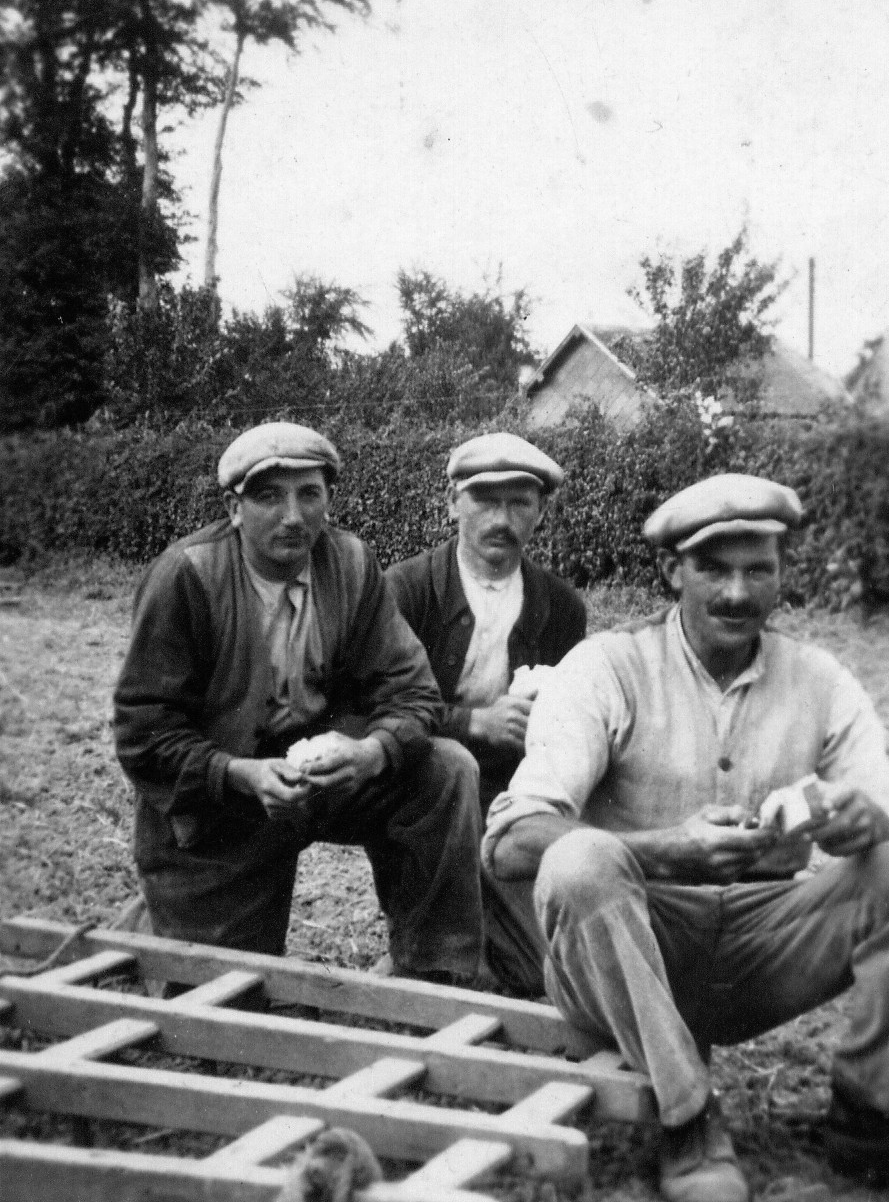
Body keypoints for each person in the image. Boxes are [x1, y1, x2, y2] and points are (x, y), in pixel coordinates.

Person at [482, 473, 889, 1202]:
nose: (736, 593)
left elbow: (879, 792)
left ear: (782, 572)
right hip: (632, 948)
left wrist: (866, 817)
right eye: (712, 568)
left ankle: (867, 1121)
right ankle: (687, 1119)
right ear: (671, 570)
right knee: (577, 860)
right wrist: (670, 849)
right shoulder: (607, 668)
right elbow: (512, 842)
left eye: (756, 569)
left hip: (766, 950)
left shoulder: (817, 677)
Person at [114, 422, 483, 984]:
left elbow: (412, 691)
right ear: (233, 507)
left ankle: (431, 970)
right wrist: (239, 773)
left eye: (309, 494)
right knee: (225, 1007)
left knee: (445, 769)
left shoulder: (352, 564)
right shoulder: (187, 577)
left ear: (329, 500)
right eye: (268, 496)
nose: (293, 516)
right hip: (223, 803)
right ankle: (150, 928)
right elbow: (142, 732)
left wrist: (372, 753)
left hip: (324, 781)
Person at [386, 431, 586, 813]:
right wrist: (472, 722)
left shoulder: (562, 606)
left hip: (518, 780)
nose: (501, 520)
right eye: (485, 502)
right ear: (452, 504)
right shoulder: (405, 590)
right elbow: (379, 708)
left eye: (519, 504)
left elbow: (570, 715)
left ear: (541, 511)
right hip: (420, 775)